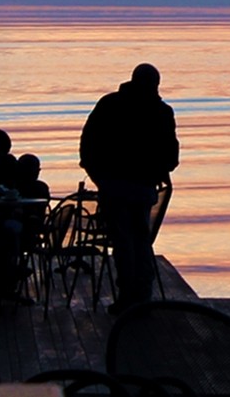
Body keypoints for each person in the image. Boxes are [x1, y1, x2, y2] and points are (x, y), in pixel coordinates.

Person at [80, 63, 179, 312]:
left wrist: (99, 177)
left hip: (116, 186)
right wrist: (156, 172)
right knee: (139, 240)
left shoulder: (110, 104)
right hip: (137, 186)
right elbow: (171, 156)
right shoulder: (161, 112)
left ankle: (129, 295)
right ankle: (140, 293)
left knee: (126, 241)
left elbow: (88, 143)